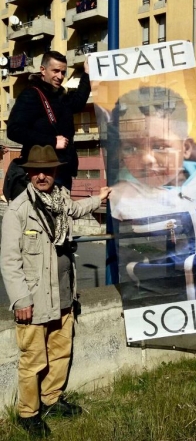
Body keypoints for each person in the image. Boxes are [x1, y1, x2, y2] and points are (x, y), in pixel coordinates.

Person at [0, 145, 111, 438]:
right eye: (35, 171)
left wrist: (99, 197)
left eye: (46, 170)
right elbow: (9, 261)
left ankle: (51, 400)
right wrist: (21, 299)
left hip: (63, 293)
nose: (41, 176)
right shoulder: (18, 209)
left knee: (60, 352)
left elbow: (76, 209)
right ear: (28, 174)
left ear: (54, 172)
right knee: (33, 359)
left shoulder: (60, 199)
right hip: (34, 301)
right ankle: (28, 413)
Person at [103, 86, 196, 309]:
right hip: (157, 305)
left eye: (160, 146)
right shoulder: (125, 197)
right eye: (132, 147)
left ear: (185, 148)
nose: (146, 159)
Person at [7, 50, 91, 191]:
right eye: (55, 71)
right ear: (43, 70)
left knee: (61, 212)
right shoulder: (31, 94)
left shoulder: (59, 94)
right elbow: (14, 130)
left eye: (63, 72)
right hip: (42, 172)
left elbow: (77, 103)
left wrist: (87, 74)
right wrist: (52, 141)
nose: (60, 76)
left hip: (63, 168)